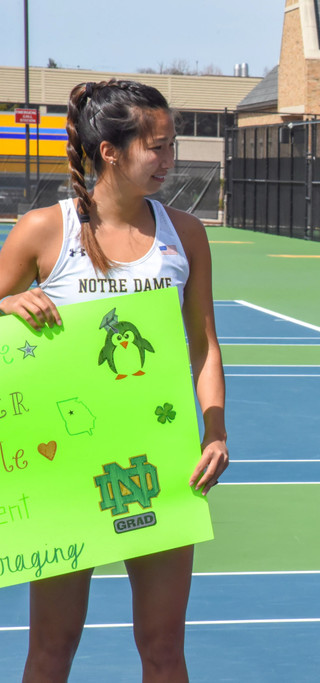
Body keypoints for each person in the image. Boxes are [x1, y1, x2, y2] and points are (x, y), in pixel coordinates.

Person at [0, 80, 229, 681]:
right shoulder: (42, 231)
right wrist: (7, 306)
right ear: (110, 151)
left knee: (163, 649)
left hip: (159, 464)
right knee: (52, 648)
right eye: (156, 147)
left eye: (171, 145)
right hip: (64, 469)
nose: (169, 160)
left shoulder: (187, 233)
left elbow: (203, 344)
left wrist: (215, 431)